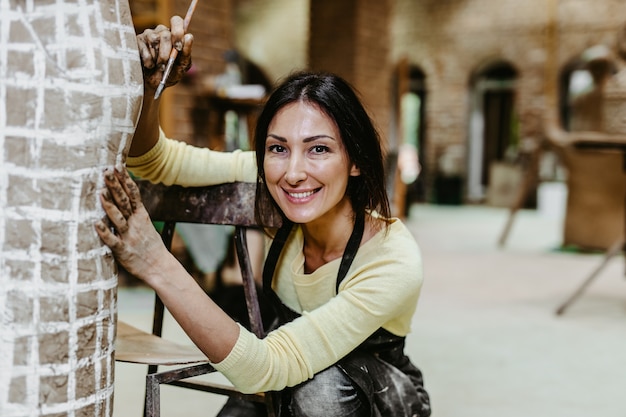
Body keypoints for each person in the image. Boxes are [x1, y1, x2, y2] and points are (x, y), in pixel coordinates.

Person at [96, 16, 431, 417]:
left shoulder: (393, 259)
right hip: (290, 371)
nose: (293, 173)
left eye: (319, 149)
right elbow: (155, 162)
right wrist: (150, 89)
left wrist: (155, 263)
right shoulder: (273, 181)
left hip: (379, 396)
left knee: (320, 394)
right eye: (278, 148)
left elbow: (265, 366)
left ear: (356, 159)